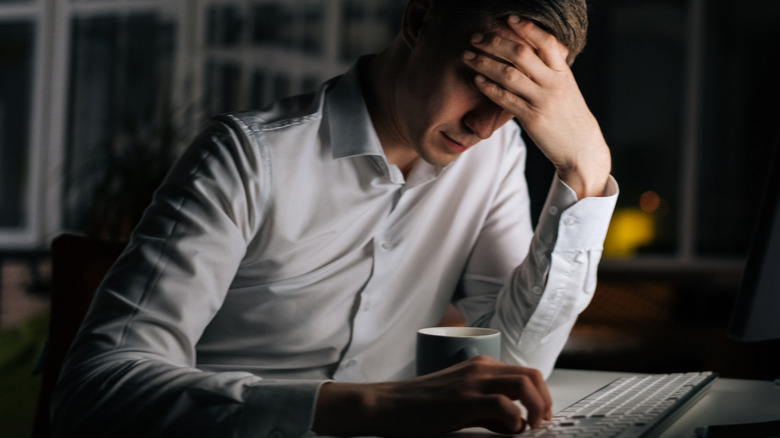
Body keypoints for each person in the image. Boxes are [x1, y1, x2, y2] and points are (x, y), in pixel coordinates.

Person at [52, 0, 617, 436]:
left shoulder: (494, 158)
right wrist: (372, 405)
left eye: (520, 100)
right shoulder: (248, 156)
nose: (486, 124)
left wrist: (586, 166)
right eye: (483, 78)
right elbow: (93, 394)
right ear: (419, 20)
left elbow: (514, 366)